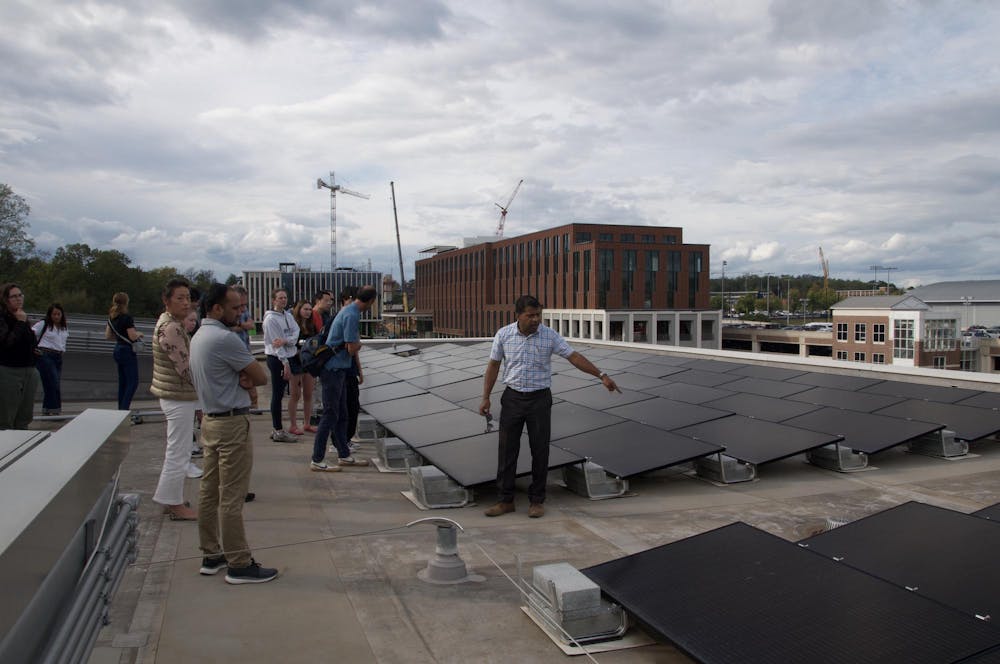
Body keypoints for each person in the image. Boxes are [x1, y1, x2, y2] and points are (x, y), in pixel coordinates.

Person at [479, 295, 619, 519]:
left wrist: (601, 375)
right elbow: (494, 366)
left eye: (538, 315)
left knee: (540, 450)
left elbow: (573, 356)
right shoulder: (504, 335)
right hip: (512, 398)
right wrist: (485, 397)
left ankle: (536, 501)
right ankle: (505, 501)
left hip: (539, 400)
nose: (535, 319)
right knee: (507, 451)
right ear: (518, 315)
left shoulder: (549, 336)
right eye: (530, 315)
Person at [189, 283, 276, 584]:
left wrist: (244, 378)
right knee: (232, 496)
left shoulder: (199, 336)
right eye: (235, 308)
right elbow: (261, 376)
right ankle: (239, 562)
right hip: (231, 423)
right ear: (215, 309)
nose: (241, 313)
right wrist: (247, 380)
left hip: (210, 422)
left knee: (209, 491)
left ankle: (212, 554)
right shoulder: (225, 339)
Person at [310, 285, 377, 471]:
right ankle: (317, 459)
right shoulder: (352, 315)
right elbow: (350, 347)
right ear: (371, 301)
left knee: (342, 414)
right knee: (330, 414)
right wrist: (360, 344)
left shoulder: (348, 310)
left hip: (338, 369)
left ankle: (344, 454)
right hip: (333, 370)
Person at [150, 278, 199, 521]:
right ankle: (173, 502)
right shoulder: (171, 328)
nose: (185, 302)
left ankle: (170, 497)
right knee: (179, 450)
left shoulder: (172, 323)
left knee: (179, 449)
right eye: (179, 298)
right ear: (166, 301)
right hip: (177, 395)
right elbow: (186, 367)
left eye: (187, 297)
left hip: (176, 394)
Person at [262, 288, 299, 442]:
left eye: (285, 297)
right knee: (277, 394)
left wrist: (286, 340)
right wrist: (285, 363)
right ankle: (278, 429)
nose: (283, 300)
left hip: (288, 356)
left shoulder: (288, 315)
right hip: (277, 359)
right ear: (273, 300)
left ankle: (277, 429)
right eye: (280, 298)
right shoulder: (270, 319)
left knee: (281, 393)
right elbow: (276, 343)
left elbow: (296, 332)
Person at [0, 283, 39, 430]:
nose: (18, 299)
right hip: (9, 370)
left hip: (29, 370)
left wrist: (36, 353)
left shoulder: (21, 315)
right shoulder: (4, 318)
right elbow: (6, 342)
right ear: (5, 299)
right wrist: (20, 323)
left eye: (20, 295)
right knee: (5, 418)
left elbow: (30, 342)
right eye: (14, 296)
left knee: (24, 417)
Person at [106, 292, 144, 411]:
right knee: (133, 382)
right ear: (126, 302)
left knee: (123, 382)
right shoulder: (127, 318)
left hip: (117, 349)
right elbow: (132, 336)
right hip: (127, 351)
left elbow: (108, 336)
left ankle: (120, 409)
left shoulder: (111, 318)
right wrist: (139, 334)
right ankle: (124, 409)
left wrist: (119, 336)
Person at [338, 287, 365, 444]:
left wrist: (359, 370)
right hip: (343, 369)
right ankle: (341, 442)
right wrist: (357, 345)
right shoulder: (347, 316)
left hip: (350, 369)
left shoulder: (349, 316)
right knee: (347, 407)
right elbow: (351, 347)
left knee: (352, 406)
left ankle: (345, 440)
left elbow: (354, 350)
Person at [32, 303, 69, 415]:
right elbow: (30, 333)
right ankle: (54, 410)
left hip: (58, 356)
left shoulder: (63, 327)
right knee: (53, 382)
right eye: (54, 314)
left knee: (53, 384)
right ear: (50, 314)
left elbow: (62, 342)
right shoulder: (44, 324)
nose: (56, 316)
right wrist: (33, 347)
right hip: (45, 355)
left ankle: (49, 409)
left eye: (58, 314)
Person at [288, 299, 316, 435]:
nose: (308, 312)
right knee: (295, 394)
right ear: (299, 310)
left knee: (309, 393)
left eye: (310, 309)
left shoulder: (311, 326)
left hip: (308, 363)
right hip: (295, 361)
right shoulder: (293, 326)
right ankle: (293, 425)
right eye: (305, 309)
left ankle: (307, 423)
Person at [230, 285, 257, 409]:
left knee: (251, 383)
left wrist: (239, 325)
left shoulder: (245, 310)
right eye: (239, 305)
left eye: (244, 305)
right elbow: (229, 328)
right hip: (232, 354)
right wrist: (243, 325)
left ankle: (253, 406)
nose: (242, 309)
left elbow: (251, 326)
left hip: (245, 350)